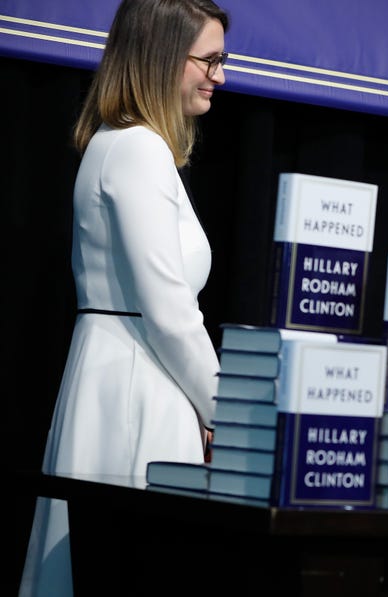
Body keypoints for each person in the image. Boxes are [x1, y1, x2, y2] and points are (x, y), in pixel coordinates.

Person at [19, 1, 230, 595]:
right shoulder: (138, 149)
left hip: (124, 375)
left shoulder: (121, 144)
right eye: (208, 60)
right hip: (136, 386)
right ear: (163, 58)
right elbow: (167, 309)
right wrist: (227, 414)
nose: (220, 75)